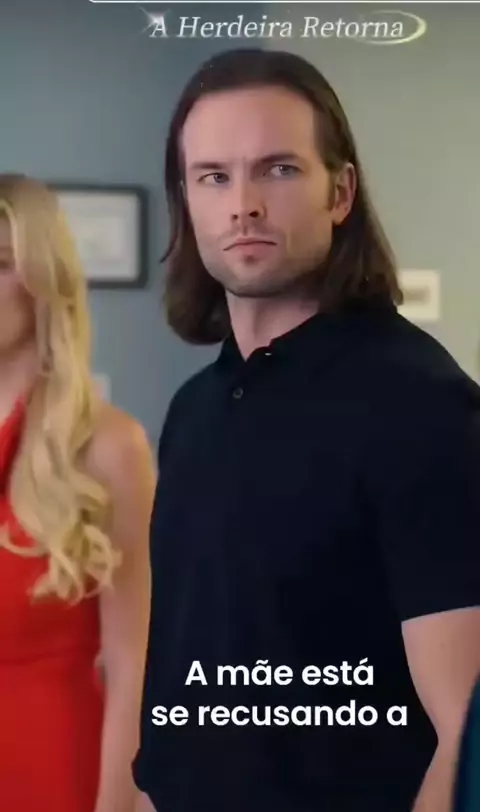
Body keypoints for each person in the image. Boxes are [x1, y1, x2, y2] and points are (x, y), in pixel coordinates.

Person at [133, 49, 480, 812]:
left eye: (279, 170)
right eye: (213, 177)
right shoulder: (194, 410)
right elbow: (179, 694)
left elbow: (464, 730)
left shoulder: (421, 405)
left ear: (341, 192)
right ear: (187, 201)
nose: (243, 204)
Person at [0, 173, 156, 812]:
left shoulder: (110, 447)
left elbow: (135, 666)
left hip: (54, 771)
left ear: (44, 281)